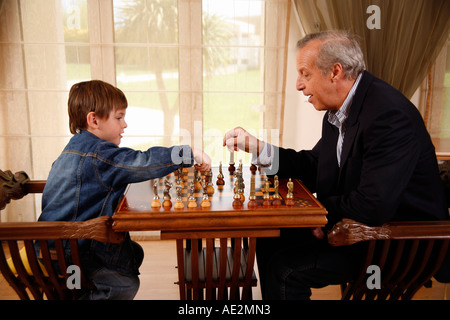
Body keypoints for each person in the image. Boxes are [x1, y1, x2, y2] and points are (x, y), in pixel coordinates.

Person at [223, 30, 448, 299]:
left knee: (285, 269)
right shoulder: (339, 110)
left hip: (392, 242)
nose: (298, 85)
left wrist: (316, 215)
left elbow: (373, 203)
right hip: (357, 228)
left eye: (305, 74)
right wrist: (260, 148)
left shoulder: (388, 115)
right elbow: (315, 166)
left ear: (335, 72)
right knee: (270, 236)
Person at [38, 80, 211, 300]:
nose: (125, 124)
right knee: (124, 284)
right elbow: (142, 161)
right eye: (119, 117)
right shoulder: (100, 155)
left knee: (133, 252)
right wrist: (189, 152)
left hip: (49, 244)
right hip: (70, 252)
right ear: (93, 120)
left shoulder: (73, 148)